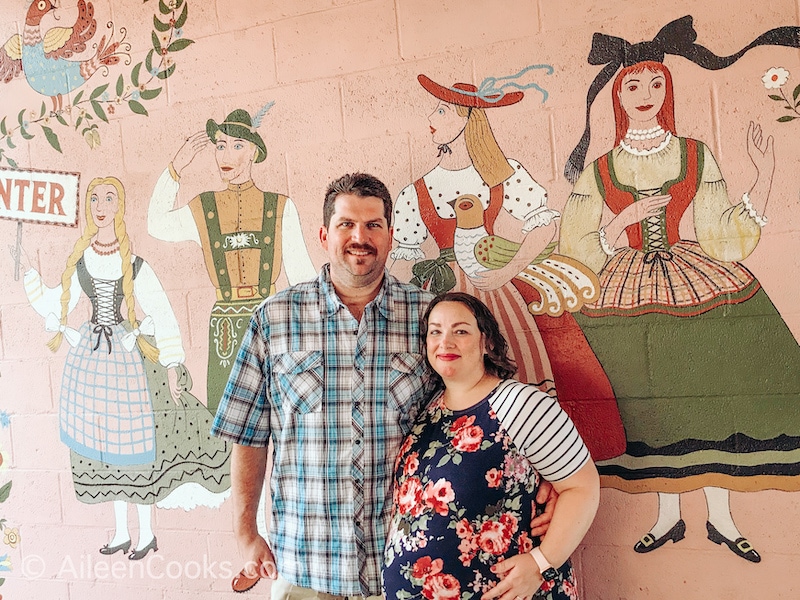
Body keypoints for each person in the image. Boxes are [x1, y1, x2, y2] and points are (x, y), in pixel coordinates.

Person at [211, 172, 559, 598]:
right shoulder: (275, 318)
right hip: (303, 567)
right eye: (347, 224)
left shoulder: (429, 320)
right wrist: (245, 533)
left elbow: (480, 408)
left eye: (373, 225)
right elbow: (247, 433)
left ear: (391, 236)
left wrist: (544, 480)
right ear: (324, 234)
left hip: (408, 568)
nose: (361, 237)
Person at [560, 16, 800, 563]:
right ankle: (667, 516)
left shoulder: (694, 153)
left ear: (668, 90)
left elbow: (720, 234)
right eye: (632, 85)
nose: (644, 95)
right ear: (617, 96)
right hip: (625, 283)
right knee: (649, 403)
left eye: (655, 84)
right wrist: (623, 224)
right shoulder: (600, 169)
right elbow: (573, 243)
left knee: (709, 388)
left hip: (693, 278)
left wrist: (763, 174)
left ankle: (721, 517)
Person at [391, 71, 625, 463]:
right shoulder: (416, 191)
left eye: (442, 109)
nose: (433, 117)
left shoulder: (505, 174)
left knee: (516, 386)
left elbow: (544, 224)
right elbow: (403, 256)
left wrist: (508, 270)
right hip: (447, 301)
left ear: (467, 119)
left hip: (497, 291)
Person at [22, 177, 231, 558]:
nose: (101, 205)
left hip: (131, 363)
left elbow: (164, 313)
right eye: (95, 198)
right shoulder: (81, 258)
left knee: (138, 453)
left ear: (119, 205)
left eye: (109, 198)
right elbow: (58, 305)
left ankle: (147, 533)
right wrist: (30, 279)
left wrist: (171, 363)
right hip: (94, 365)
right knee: (106, 452)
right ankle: (121, 532)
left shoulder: (134, 264)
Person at [383, 292, 600, 600]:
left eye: (461, 331)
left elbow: (583, 487)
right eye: (436, 331)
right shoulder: (428, 411)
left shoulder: (519, 404)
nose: (445, 342)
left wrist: (541, 563)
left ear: (487, 343)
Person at [148, 107, 317, 415]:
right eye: (221, 146)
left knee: (280, 417)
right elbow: (156, 223)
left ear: (253, 152)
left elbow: (303, 281)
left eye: (237, 145)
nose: (226, 155)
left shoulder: (280, 207)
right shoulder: (204, 207)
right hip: (225, 328)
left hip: (271, 325)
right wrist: (176, 168)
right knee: (229, 424)